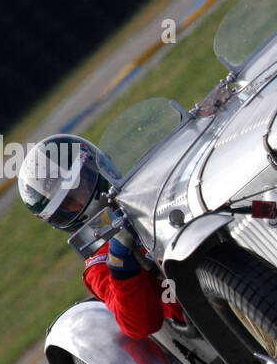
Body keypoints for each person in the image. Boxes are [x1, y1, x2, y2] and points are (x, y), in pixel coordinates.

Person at [17, 134, 181, 339]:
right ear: (57, 217)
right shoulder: (99, 263)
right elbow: (141, 324)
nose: (79, 203)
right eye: (67, 204)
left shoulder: (150, 174)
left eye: (79, 185)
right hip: (196, 309)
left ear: (96, 165)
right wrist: (120, 262)